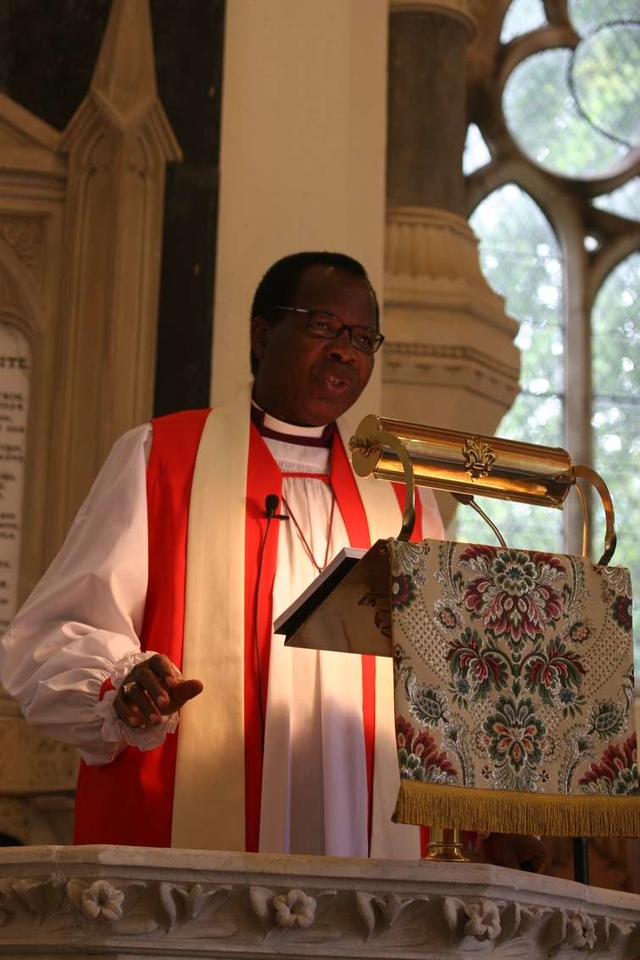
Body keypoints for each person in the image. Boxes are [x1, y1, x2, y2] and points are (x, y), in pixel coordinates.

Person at [0, 251, 445, 858]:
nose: (346, 350)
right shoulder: (162, 457)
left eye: (363, 337)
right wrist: (124, 685)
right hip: (193, 811)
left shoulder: (400, 496)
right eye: (322, 327)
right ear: (263, 334)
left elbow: (442, 664)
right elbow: (60, 628)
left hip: (361, 810)